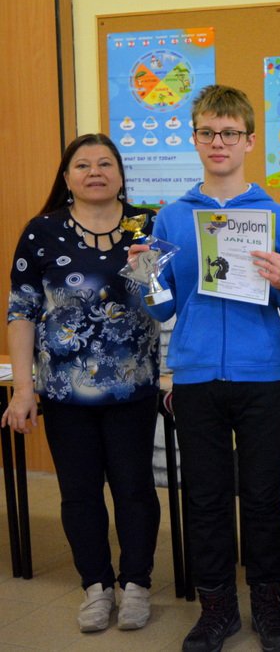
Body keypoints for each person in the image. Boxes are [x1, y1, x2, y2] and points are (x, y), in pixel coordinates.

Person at [135, 85, 280, 652]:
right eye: (207, 132)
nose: (218, 142)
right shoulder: (171, 217)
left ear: (250, 140)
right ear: (195, 139)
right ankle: (217, 608)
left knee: (263, 495)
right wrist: (143, 276)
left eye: (230, 132)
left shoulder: (278, 217)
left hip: (262, 376)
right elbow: (161, 308)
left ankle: (269, 603)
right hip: (197, 376)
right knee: (204, 497)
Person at [2, 133, 161, 632]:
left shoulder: (147, 225)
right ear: (67, 177)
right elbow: (22, 312)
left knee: (135, 489)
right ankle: (96, 585)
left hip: (133, 388)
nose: (95, 172)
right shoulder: (42, 231)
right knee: (79, 493)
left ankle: (136, 584)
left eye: (105, 163)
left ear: (120, 174)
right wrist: (23, 389)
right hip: (65, 392)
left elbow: (165, 302)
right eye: (83, 165)